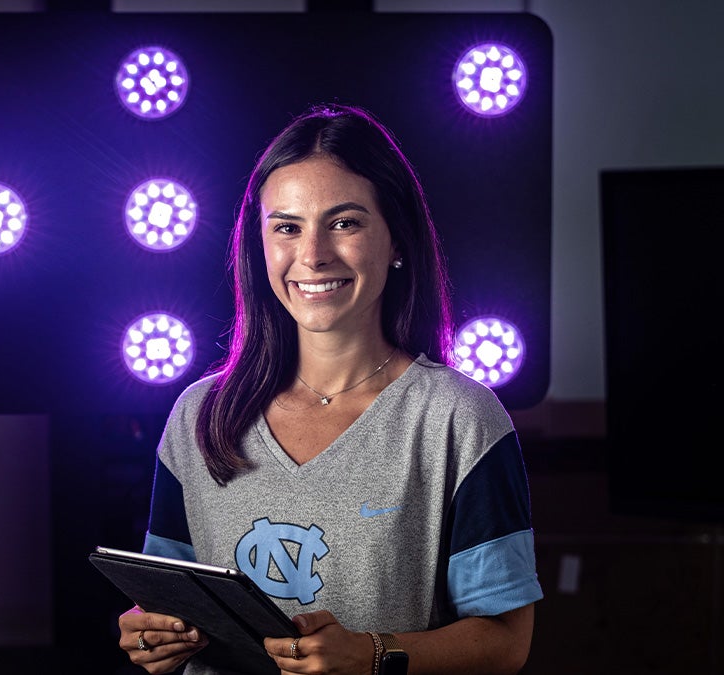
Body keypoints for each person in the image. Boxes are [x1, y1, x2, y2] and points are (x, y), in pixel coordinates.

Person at [115, 102, 543, 675]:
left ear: (396, 242)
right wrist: (153, 636)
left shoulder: (458, 417)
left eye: (345, 222)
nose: (313, 256)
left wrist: (372, 654)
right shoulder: (199, 414)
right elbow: (164, 603)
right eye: (287, 227)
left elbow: (505, 642)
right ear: (259, 247)